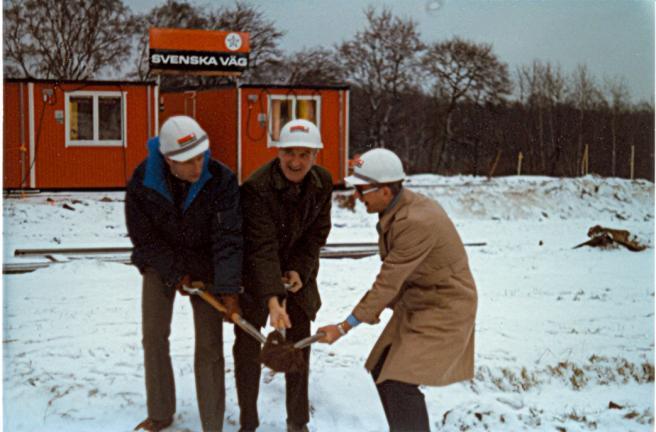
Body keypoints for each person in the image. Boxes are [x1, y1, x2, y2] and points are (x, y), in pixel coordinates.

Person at [318, 148, 478, 432]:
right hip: (418, 301)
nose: (356, 196)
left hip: (444, 307)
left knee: (397, 380)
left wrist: (343, 327)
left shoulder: (416, 221)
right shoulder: (397, 209)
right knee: (382, 368)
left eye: (362, 190)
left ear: (385, 191)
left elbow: (388, 281)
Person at [125, 115, 243, 432]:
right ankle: (161, 411)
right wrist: (175, 272)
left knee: (209, 344)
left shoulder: (221, 179)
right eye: (187, 161)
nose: (197, 167)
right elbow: (144, 237)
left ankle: (212, 423)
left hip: (206, 263)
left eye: (200, 157)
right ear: (167, 159)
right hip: (160, 261)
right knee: (154, 335)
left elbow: (229, 237)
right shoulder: (142, 180)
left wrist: (229, 290)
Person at [233, 119, 332, 432]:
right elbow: (261, 246)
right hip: (255, 273)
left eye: (304, 154)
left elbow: (317, 233)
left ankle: (297, 422)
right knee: (248, 345)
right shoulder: (256, 187)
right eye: (289, 152)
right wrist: (273, 298)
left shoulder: (322, 182)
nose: (296, 161)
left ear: (315, 155)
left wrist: (299, 270)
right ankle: (248, 420)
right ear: (278, 151)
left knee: (298, 345)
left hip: (297, 274)